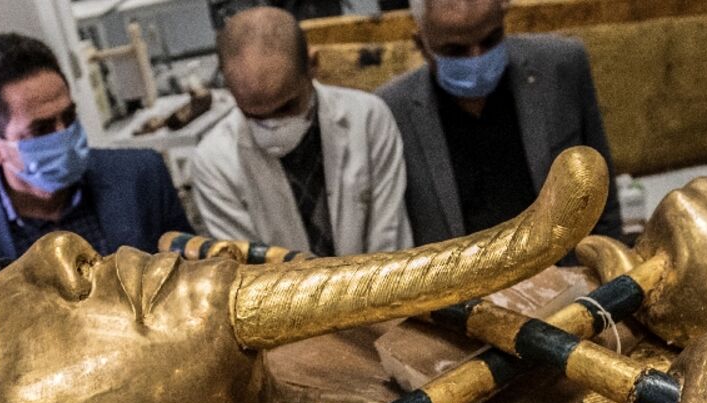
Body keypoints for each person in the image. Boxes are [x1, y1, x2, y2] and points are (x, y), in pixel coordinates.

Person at [0, 33, 192, 275]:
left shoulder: (141, 176)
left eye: (69, 117)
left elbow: (192, 285)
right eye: (41, 129)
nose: (64, 134)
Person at [377, 0, 621, 249]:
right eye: (455, 50)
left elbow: (602, 197)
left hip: (566, 273)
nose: (477, 57)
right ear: (422, 45)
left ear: (503, 19)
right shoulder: (392, 112)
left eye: (490, 40)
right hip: (462, 284)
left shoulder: (561, 67)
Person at [192, 7, 411, 256]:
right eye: (253, 114)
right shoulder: (213, 162)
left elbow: (390, 244)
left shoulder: (368, 118)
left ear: (312, 65)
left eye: (286, 107)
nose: (272, 126)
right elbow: (251, 273)